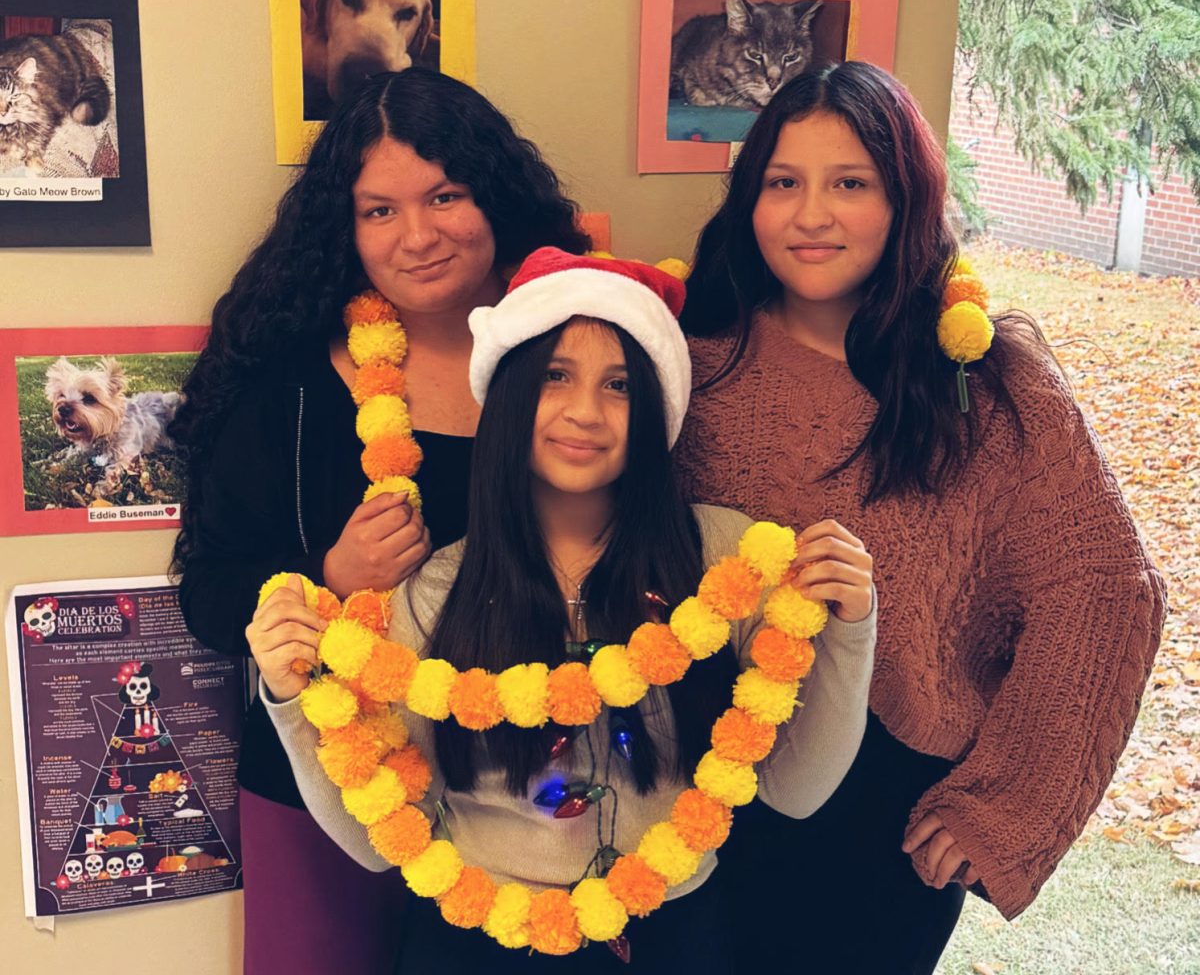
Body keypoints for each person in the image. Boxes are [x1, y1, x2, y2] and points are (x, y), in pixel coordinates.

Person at [248, 248, 878, 972]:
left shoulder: (727, 566)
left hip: (671, 934)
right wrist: (294, 701)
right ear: (511, 396)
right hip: (476, 942)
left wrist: (852, 628)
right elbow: (376, 840)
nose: (585, 412)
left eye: (618, 385)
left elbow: (798, 793)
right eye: (556, 377)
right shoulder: (433, 596)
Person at [674, 60, 1167, 973]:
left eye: (849, 183)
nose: (811, 214)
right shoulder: (686, 370)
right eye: (783, 182)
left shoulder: (988, 386)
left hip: (883, 823)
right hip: (695, 787)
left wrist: (1009, 810)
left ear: (905, 201)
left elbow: (1106, 594)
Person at [171, 69, 591, 974]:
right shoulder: (288, 382)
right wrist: (328, 579)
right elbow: (207, 591)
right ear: (344, 228)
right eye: (379, 211)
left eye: (446, 195)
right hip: (334, 781)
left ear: (495, 197)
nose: (420, 236)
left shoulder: (581, 361)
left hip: (538, 787)